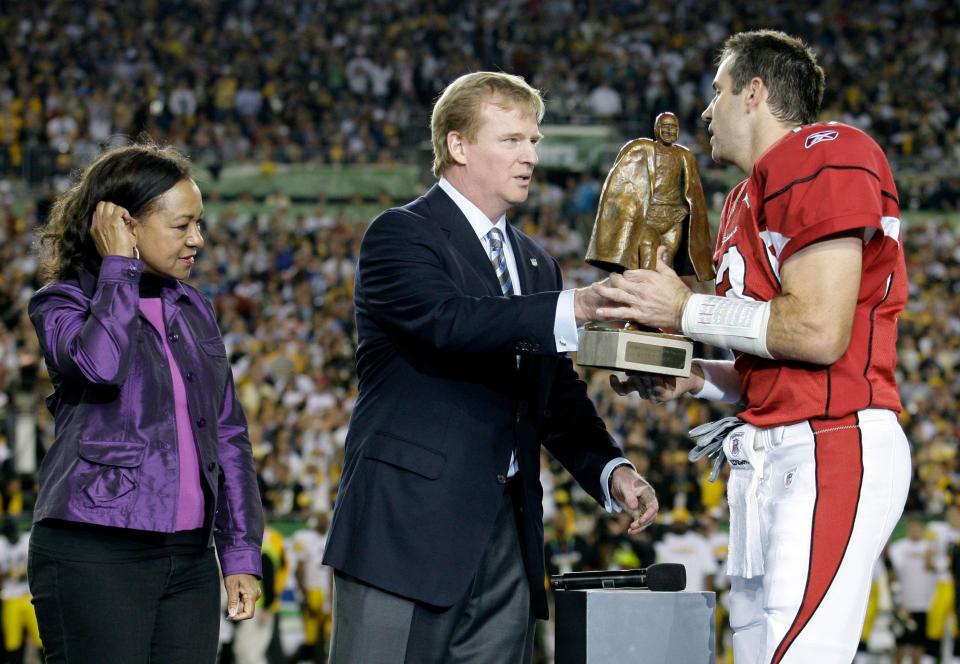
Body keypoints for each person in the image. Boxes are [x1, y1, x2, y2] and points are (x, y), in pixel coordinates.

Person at [593, 30, 910, 663]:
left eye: (718, 92)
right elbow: (773, 359)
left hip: (829, 440)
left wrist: (684, 308)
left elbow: (819, 334)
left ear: (754, 93)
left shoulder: (827, 151)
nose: (706, 111)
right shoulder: (743, 195)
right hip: (768, 452)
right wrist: (696, 378)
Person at [322, 71, 659, 663]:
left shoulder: (536, 265)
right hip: (406, 530)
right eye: (511, 140)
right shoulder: (401, 235)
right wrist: (577, 305)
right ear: (457, 145)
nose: (531, 155)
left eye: (534, 140)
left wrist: (610, 469)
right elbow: (450, 323)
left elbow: (553, 393)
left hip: (508, 536)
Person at [27, 143, 264, 663]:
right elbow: (100, 366)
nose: (197, 240)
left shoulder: (193, 307)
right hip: (95, 550)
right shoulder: (62, 301)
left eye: (198, 224)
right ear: (124, 225)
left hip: (190, 560)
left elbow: (227, 435)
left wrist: (241, 552)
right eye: (182, 226)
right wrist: (117, 267)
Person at [586, 111, 713, 279]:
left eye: (674, 127)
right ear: (656, 129)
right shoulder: (642, 149)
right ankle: (640, 296)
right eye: (665, 126)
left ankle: (658, 300)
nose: (669, 131)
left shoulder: (685, 156)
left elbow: (694, 193)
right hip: (650, 218)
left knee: (666, 264)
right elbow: (623, 180)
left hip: (675, 219)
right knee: (646, 261)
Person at [886, 514, 937, 664]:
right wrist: (897, 599)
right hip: (902, 603)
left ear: (922, 529)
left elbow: (937, 569)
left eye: (918, 527)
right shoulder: (898, 547)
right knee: (900, 643)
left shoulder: (930, 547)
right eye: (912, 527)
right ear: (908, 529)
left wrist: (930, 560)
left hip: (923, 603)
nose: (915, 530)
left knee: (918, 643)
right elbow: (892, 574)